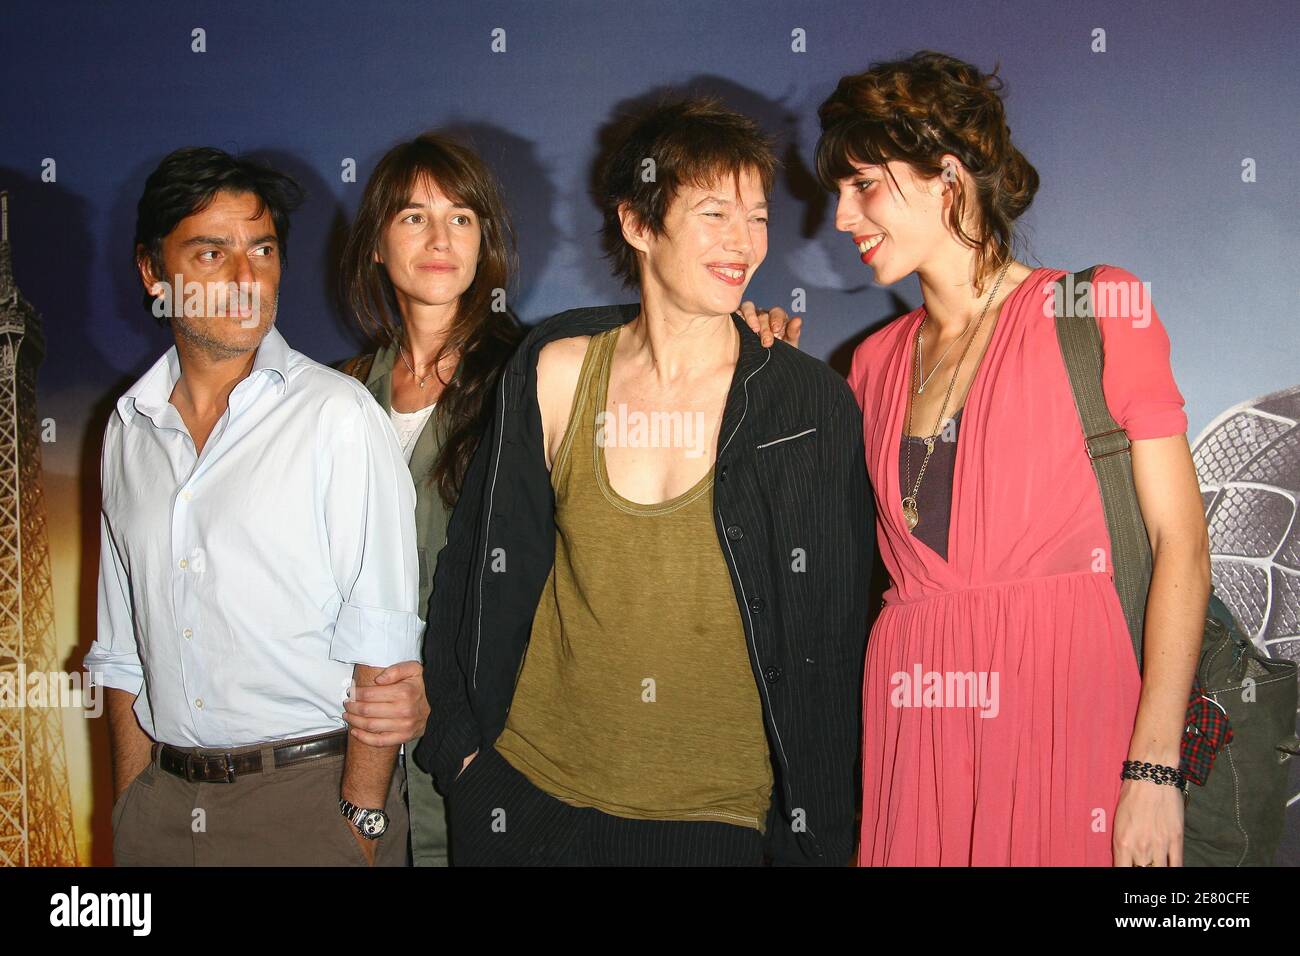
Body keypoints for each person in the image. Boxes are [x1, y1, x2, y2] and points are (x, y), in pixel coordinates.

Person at [416, 96, 874, 866]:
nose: (744, 243)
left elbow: (830, 639)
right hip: (529, 799)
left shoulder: (805, 403)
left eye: (757, 217)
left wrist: (813, 842)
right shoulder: (556, 371)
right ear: (637, 224)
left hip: (717, 822)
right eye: (714, 214)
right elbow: (472, 569)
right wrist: (464, 758)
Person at [807, 51, 1209, 866]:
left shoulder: (1094, 309)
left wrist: (1153, 766)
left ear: (946, 177)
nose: (842, 218)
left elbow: (1184, 548)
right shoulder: (872, 365)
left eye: (865, 185)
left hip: (1068, 710)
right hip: (918, 721)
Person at [86, 147, 430, 866]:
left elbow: (385, 649)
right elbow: (122, 654)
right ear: (153, 273)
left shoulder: (336, 416)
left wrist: (359, 823)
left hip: (307, 805)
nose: (246, 279)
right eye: (211, 253)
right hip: (162, 808)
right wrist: (130, 805)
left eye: (262, 249)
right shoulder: (127, 429)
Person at [336, 132, 524, 866]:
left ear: (485, 244)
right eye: (414, 216)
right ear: (378, 244)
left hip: (490, 750)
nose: (440, 236)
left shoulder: (531, 376)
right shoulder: (338, 394)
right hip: (359, 744)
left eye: (462, 217)